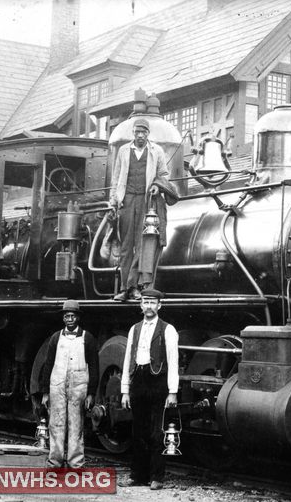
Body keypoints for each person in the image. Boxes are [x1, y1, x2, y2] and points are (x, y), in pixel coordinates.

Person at [109, 118, 176, 301]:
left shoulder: (157, 151)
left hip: (147, 201)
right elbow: (115, 180)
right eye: (137, 132)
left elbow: (163, 175)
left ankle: (135, 287)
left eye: (144, 132)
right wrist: (113, 202)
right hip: (127, 201)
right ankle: (124, 289)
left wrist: (156, 186)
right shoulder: (123, 151)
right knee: (125, 246)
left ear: (148, 134)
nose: (140, 135)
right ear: (133, 133)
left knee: (142, 245)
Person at [120, 288, 179, 490]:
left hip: (158, 382)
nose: (149, 306)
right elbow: (128, 359)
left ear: (159, 305)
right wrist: (125, 390)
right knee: (138, 430)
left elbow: (173, 361)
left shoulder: (168, 329)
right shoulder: (134, 329)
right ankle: (137, 475)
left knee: (156, 432)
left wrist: (172, 391)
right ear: (141, 305)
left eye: (153, 303)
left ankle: (156, 477)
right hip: (139, 380)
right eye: (145, 302)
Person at [39, 300, 99, 468]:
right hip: (57, 385)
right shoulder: (55, 338)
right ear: (63, 319)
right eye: (67, 316)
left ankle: (76, 464)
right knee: (56, 423)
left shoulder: (88, 338)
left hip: (79, 387)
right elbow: (48, 364)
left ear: (78, 318)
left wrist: (91, 393)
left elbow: (94, 367)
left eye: (73, 316)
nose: (70, 319)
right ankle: (54, 462)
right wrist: (45, 392)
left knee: (76, 425)